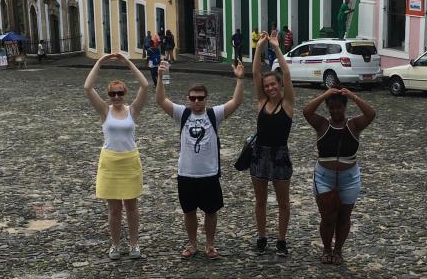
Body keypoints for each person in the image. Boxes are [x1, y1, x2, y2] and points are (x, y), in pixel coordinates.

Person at [155, 60, 245, 260]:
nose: (196, 102)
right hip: (186, 173)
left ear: (206, 99)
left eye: (200, 98)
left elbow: (236, 102)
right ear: (188, 99)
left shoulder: (214, 114)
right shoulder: (182, 114)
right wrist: (160, 77)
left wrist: (240, 79)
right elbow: (161, 100)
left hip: (209, 173)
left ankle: (210, 245)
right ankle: (193, 244)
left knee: (211, 212)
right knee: (189, 212)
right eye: (193, 98)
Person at [83, 53, 149, 260]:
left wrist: (128, 62)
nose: (117, 97)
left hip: (129, 161)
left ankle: (134, 244)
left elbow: (145, 85)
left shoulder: (132, 110)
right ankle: (115, 245)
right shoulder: (105, 110)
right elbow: (87, 88)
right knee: (113, 209)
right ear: (109, 95)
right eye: (113, 94)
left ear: (125, 94)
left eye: (120, 93)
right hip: (110, 162)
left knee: (131, 206)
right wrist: (100, 62)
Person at [303, 86, 376, 265]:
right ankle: (327, 249)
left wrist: (353, 96)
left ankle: (338, 251)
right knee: (328, 217)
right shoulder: (322, 124)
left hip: (349, 178)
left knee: (344, 217)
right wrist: (325, 95)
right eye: (332, 107)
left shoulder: (354, 125)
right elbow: (306, 111)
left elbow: (371, 113)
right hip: (323, 177)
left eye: (339, 107)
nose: (335, 111)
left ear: (345, 107)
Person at [251, 30, 295, 257]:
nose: (269, 88)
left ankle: (281, 240)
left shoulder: (287, 104)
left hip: (280, 155)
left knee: (283, 202)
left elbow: (286, 73)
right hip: (260, 155)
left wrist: (276, 47)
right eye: (266, 85)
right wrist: (260, 46)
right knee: (260, 202)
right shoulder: (261, 102)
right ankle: (262, 237)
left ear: (279, 85)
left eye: (273, 84)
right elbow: (256, 71)